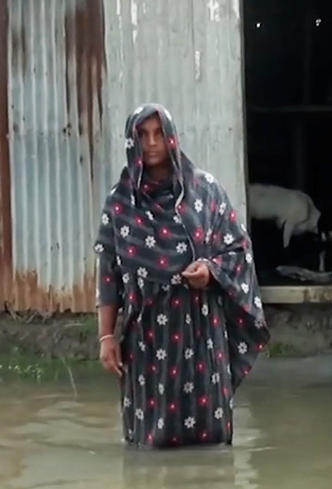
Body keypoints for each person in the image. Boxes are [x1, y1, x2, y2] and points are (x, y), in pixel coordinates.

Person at [94, 103, 269, 449]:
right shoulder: (120, 202)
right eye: (142, 135)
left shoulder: (205, 191)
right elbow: (108, 274)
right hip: (146, 336)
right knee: (149, 440)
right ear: (132, 142)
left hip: (202, 331)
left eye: (159, 133)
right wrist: (105, 338)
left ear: (172, 137)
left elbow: (237, 249)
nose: (152, 143)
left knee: (211, 436)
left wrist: (209, 270)